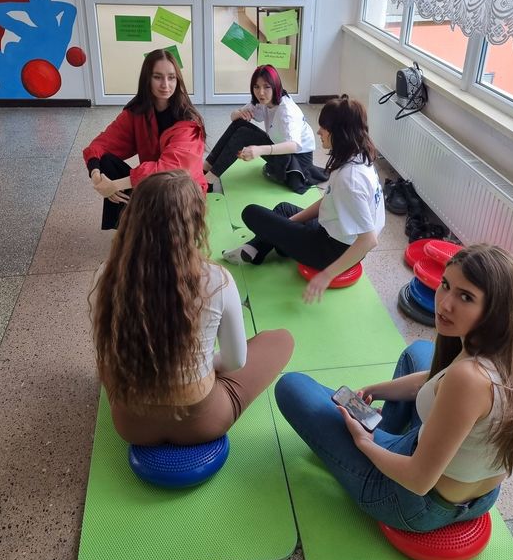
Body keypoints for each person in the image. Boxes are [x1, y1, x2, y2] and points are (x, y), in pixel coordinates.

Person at [275, 245, 513, 532]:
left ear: (496, 310)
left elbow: (418, 480)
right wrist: (375, 390)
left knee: (291, 386)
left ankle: (376, 437)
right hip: (480, 495)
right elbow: (437, 380)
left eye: (466, 297)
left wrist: (364, 443)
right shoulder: (511, 354)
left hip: (416, 501)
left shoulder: (468, 379)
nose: (444, 304)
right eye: (445, 285)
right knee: (420, 351)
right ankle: (383, 429)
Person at [92, 170, 294, 446]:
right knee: (281, 340)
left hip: (131, 425)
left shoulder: (106, 274)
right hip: (202, 422)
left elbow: (106, 349)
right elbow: (235, 361)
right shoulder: (217, 279)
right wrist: (200, 367)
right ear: (195, 223)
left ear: (132, 217)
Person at [222, 95, 385, 303]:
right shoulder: (358, 157)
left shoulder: (350, 179)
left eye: (324, 127)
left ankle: (261, 245)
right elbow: (329, 202)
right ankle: (257, 249)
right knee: (283, 209)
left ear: (339, 132)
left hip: (330, 251)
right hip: (334, 232)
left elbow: (369, 240)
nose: (318, 132)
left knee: (251, 212)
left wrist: (326, 276)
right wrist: (287, 224)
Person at [83, 49, 207, 229]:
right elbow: (101, 144)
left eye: (171, 77)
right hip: (151, 184)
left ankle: (148, 231)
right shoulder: (138, 112)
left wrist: (115, 185)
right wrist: (97, 176)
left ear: (178, 80)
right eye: (157, 77)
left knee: (167, 189)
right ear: (147, 79)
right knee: (105, 162)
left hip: (182, 193)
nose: (165, 84)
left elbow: (169, 170)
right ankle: (126, 230)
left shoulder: (188, 121)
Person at [203, 64, 327, 194]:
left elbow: (294, 146)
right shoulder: (264, 101)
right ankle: (206, 168)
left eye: (266, 87)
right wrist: (239, 114)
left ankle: (208, 181)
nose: (260, 92)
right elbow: (234, 117)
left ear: (275, 86)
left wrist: (259, 150)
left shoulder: (287, 111)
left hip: (296, 163)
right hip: (282, 151)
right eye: (256, 87)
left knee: (243, 134)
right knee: (240, 124)